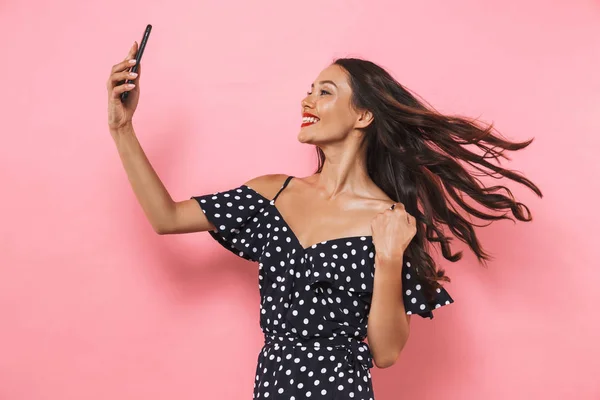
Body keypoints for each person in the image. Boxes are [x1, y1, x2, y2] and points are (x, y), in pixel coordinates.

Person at [106, 42, 542, 399]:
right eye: (310, 89)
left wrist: (389, 259)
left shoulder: (390, 221)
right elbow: (167, 217)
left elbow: (387, 352)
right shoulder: (271, 194)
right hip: (273, 387)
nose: (307, 99)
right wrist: (122, 128)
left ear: (363, 115)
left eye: (325, 91)